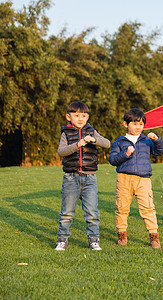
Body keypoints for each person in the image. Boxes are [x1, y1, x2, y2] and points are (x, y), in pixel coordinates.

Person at [55, 101, 111, 251]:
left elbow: (107, 143)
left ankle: (94, 240)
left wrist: (95, 140)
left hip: (89, 178)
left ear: (88, 117)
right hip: (71, 178)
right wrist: (77, 145)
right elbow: (61, 151)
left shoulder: (92, 131)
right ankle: (62, 239)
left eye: (84, 115)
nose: (80, 118)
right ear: (68, 117)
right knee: (67, 212)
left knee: (92, 212)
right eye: (76, 115)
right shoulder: (65, 133)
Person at [108, 108, 163, 248]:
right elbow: (112, 160)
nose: (138, 127)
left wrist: (157, 139)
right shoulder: (119, 142)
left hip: (143, 179)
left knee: (148, 208)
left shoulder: (146, 140)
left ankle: (154, 237)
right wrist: (125, 154)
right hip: (124, 178)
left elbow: (160, 151)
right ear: (125, 124)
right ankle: (122, 234)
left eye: (140, 124)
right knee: (122, 208)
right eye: (134, 124)